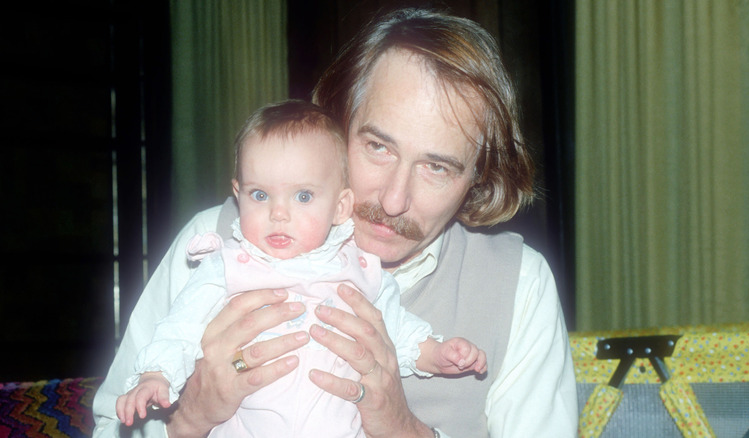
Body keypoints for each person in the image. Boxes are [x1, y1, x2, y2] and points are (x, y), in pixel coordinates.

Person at [93, 7, 577, 438]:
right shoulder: (215, 243)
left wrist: (405, 431)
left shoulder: (519, 283)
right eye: (378, 146)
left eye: (438, 167)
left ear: (476, 179)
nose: (392, 200)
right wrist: (188, 420)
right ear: (338, 120)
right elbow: (112, 424)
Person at [114, 100, 487, 437]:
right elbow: (179, 328)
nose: (278, 213)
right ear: (238, 194)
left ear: (340, 207)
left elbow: (397, 331)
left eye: (303, 196)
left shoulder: (360, 268)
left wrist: (436, 354)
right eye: (260, 195)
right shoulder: (226, 265)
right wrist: (154, 376)